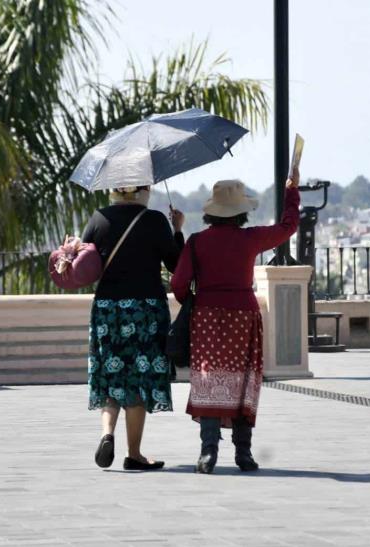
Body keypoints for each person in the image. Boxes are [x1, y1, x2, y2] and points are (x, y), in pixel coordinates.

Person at [171, 170, 300, 474]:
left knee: (209, 379)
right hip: (244, 315)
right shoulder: (251, 239)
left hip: (206, 317)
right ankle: (244, 453)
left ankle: (207, 452)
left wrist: (195, 294)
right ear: (242, 212)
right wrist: (291, 191)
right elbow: (288, 226)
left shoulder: (197, 242)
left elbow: (178, 285)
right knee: (243, 380)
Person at [83, 185, 184, 470]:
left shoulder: (98, 218)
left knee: (111, 373)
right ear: (143, 190)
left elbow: (86, 262)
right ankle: (134, 454)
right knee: (139, 377)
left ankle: (106, 433)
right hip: (145, 311)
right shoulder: (153, 220)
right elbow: (177, 264)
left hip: (107, 309)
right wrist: (176, 229)